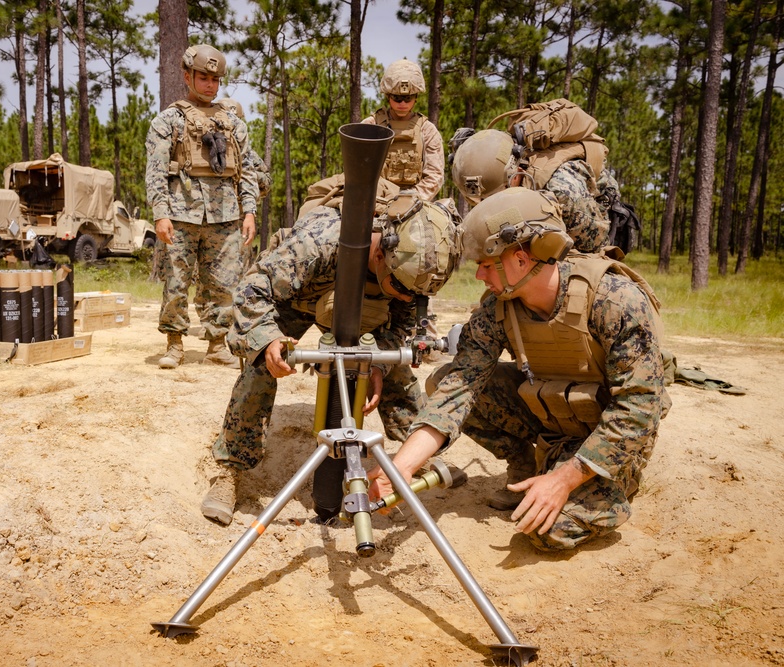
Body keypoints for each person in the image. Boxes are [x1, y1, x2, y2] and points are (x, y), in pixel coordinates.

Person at [367, 188, 670, 551]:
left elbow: (639, 410)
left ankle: (604, 487)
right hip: (554, 417)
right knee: (445, 378)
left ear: (521, 259)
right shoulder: (499, 307)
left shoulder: (615, 301)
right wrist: (401, 467)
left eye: (486, 263)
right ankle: (529, 468)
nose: (479, 274)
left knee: (547, 531)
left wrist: (565, 479)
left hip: (609, 439)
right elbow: (459, 389)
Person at [201, 194, 460, 526]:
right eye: (401, 287)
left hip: (368, 311)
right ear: (380, 255)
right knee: (261, 367)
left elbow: (402, 324)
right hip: (297, 298)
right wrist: (267, 339)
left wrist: (379, 363)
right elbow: (252, 289)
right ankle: (230, 471)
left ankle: (417, 456)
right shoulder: (319, 242)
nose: (408, 297)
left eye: (416, 294)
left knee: (394, 369)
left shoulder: (409, 274)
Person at [145, 44, 259, 368]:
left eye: (215, 79)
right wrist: (161, 214)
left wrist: (249, 211)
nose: (210, 84)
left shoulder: (233, 123)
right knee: (176, 281)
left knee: (223, 282)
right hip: (181, 211)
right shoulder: (168, 120)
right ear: (187, 76)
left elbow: (246, 169)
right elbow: (155, 171)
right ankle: (175, 344)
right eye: (203, 77)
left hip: (225, 213)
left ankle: (216, 343)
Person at [450, 123, 611, 254]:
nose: (489, 204)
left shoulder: (562, 191)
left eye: (493, 197)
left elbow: (596, 246)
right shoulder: (490, 174)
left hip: (595, 231)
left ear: (517, 173)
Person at [362, 60, 445, 201]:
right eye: (397, 98)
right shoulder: (371, 125)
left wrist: (409, 199)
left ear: (416, 98)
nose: (402, 104)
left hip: (415, 202)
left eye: (408, 98)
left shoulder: (427, 130)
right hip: (375, 200)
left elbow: (434, 175)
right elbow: (358, 170)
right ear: (388, 96)